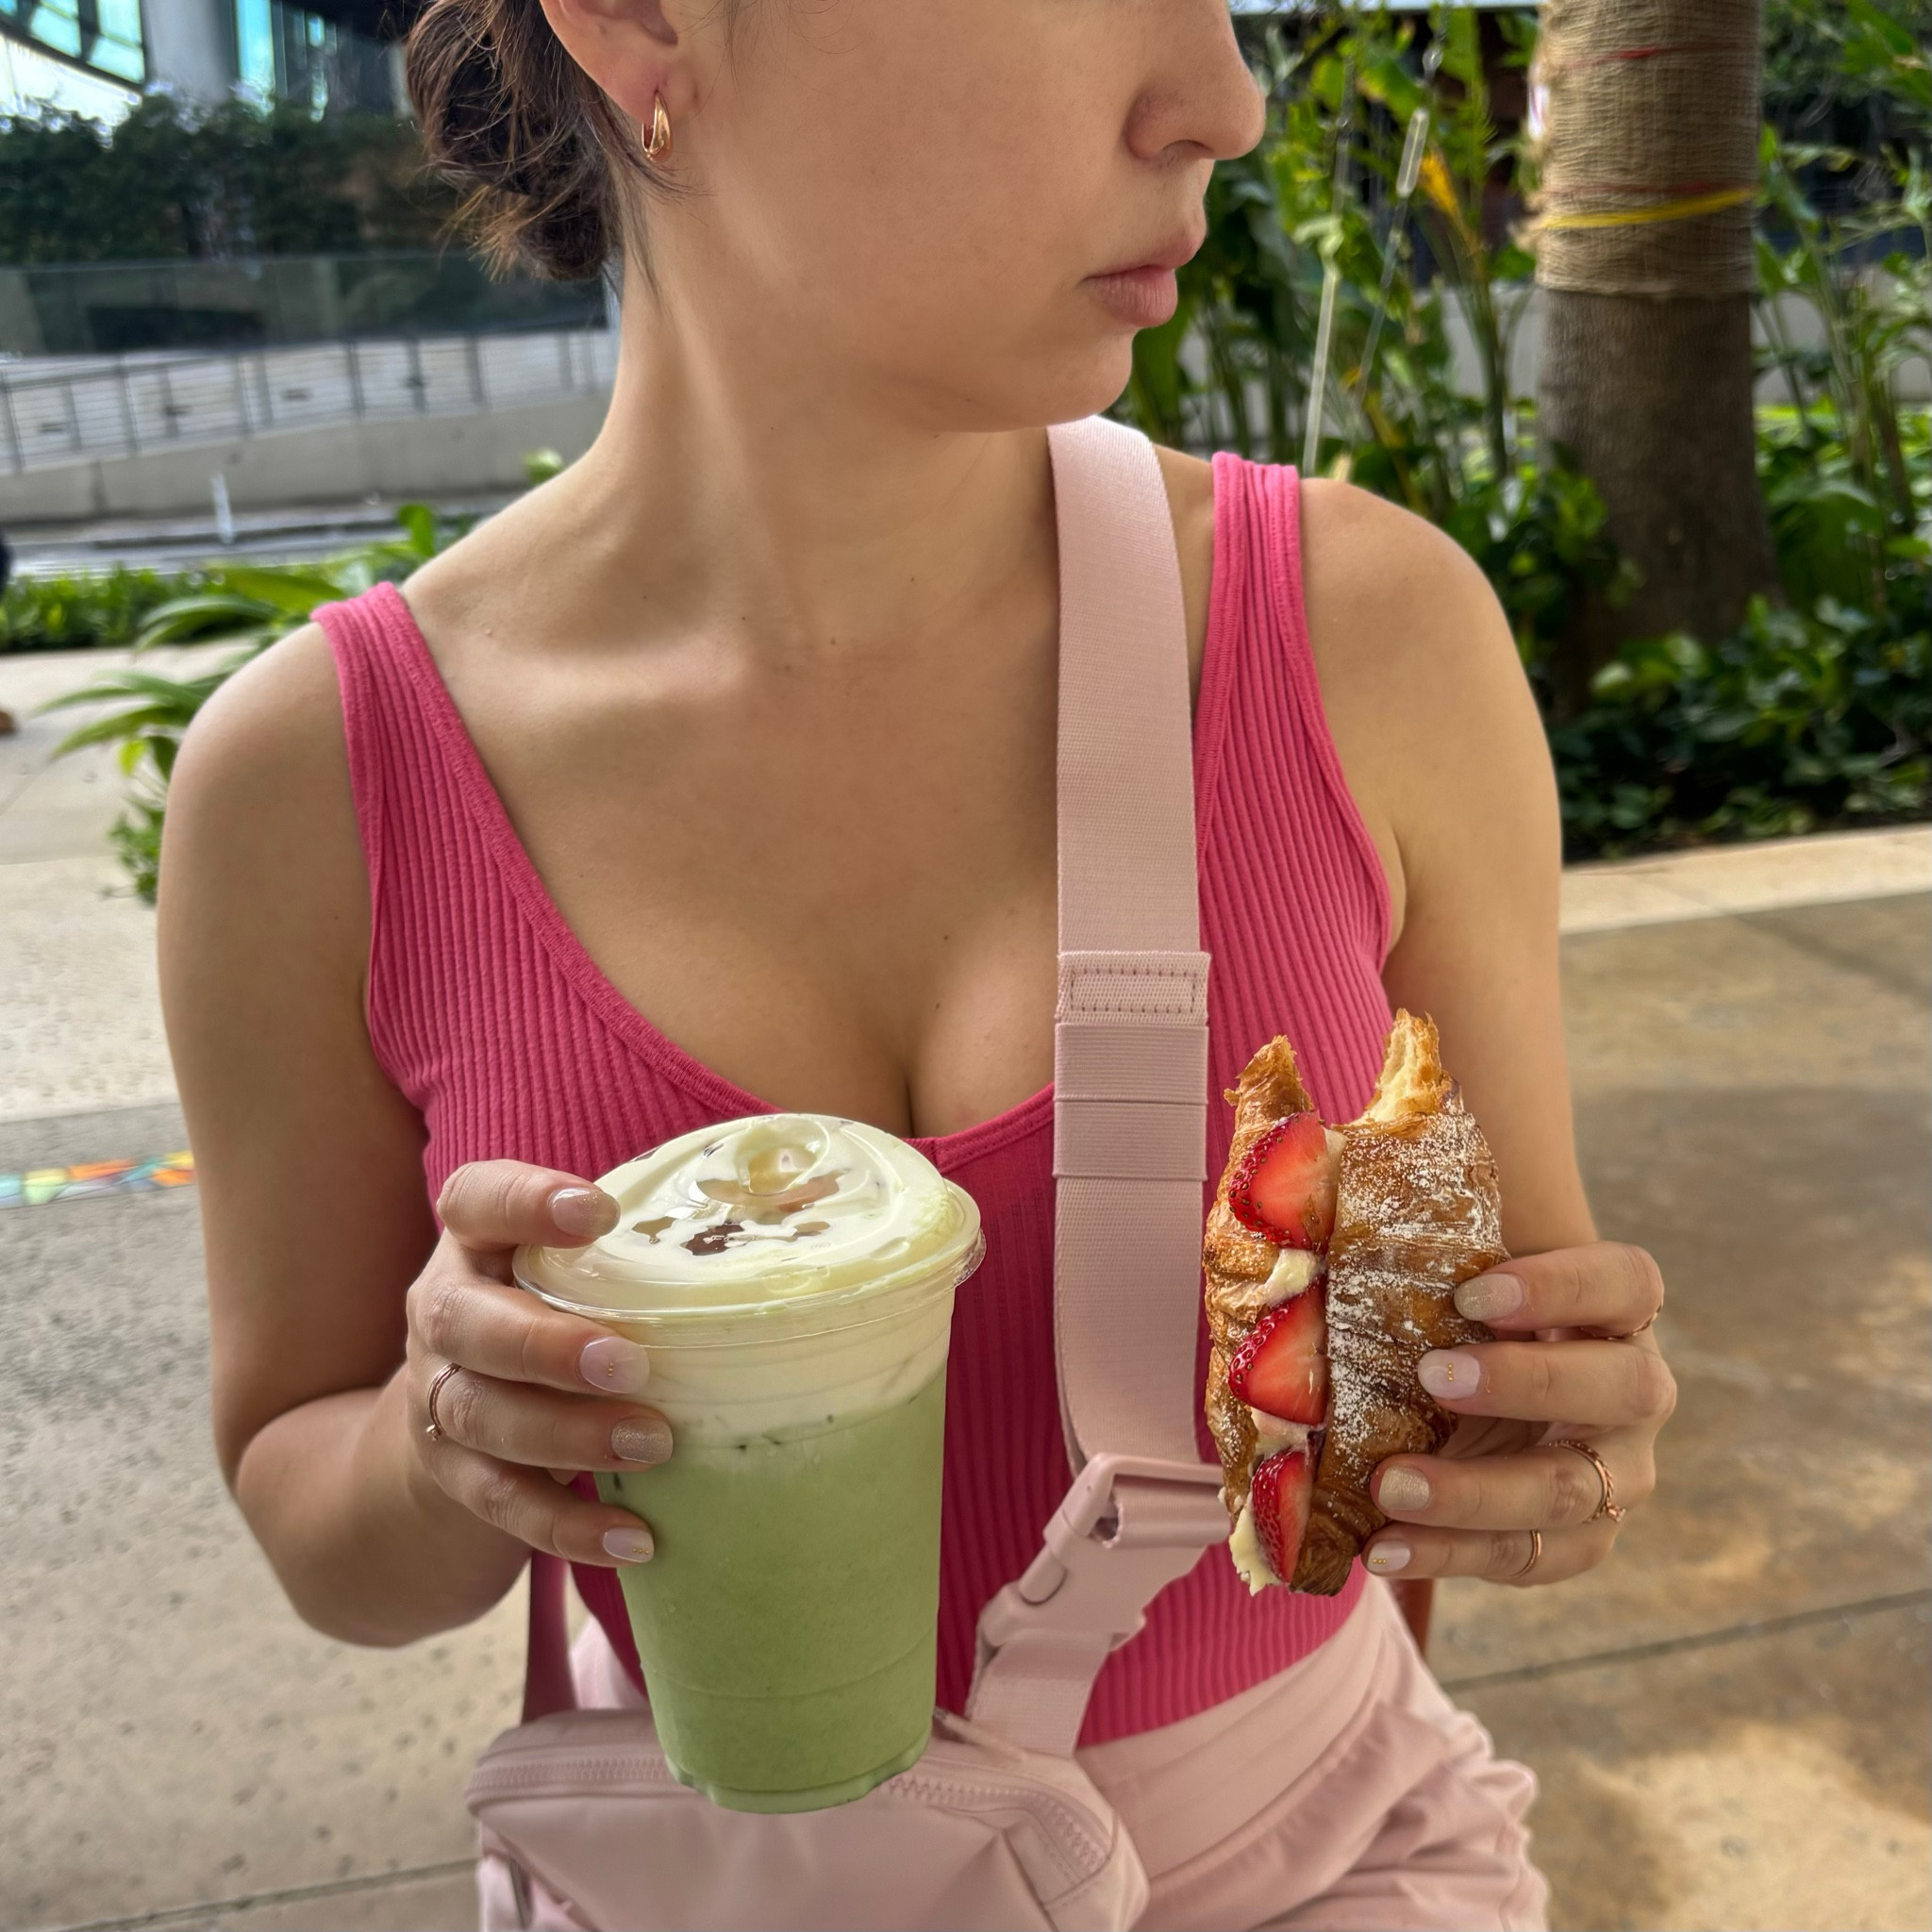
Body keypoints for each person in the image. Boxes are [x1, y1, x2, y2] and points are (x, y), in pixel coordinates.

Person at [158, 3, 1676, 1925]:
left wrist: (1538, 1419)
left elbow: (1492, 1365)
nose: (1220, 101)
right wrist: (442, 1434)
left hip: (1332, 1859)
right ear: (639, 26)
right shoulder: (321, 788)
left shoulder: (1364, 639)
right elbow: (318, 1524)